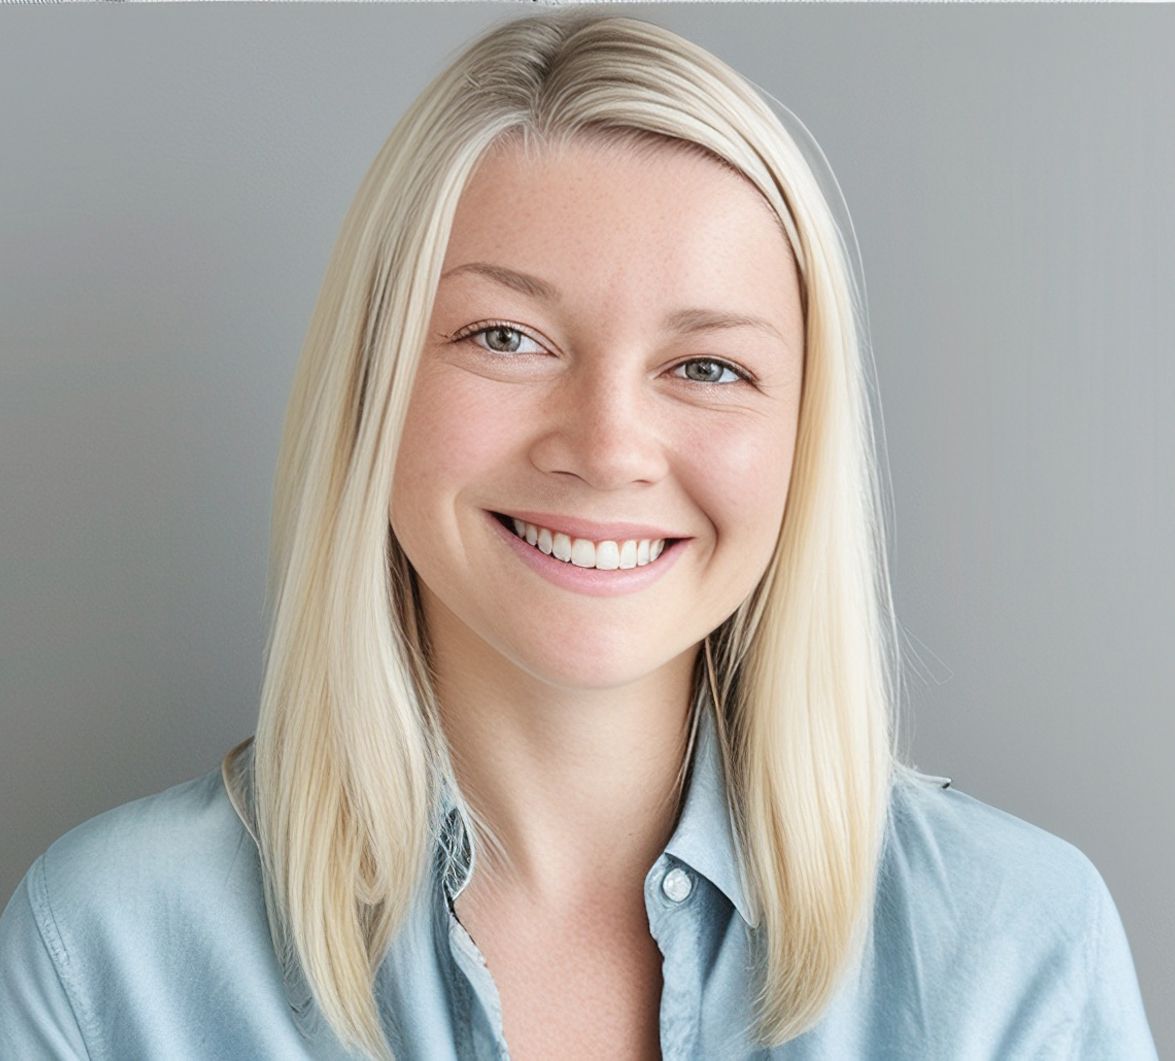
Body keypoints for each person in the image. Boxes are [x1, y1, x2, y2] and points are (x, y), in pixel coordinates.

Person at [0, 10, 1158, 1061]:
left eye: (707, 365)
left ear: (803, 442)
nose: (606, 447)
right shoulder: (106, 951)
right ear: (373, 389)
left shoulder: (1018, 950)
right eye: (505, 336)